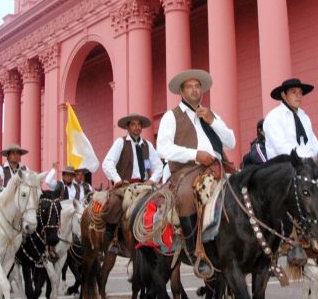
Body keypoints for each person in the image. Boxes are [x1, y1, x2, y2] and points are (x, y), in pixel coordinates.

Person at [156, 69, 236, 278]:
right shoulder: (170, 116)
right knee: (184, 196)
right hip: (187, 168)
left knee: (244, 189)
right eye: (190, 86)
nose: (195, 89)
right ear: (181, 91)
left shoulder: (210, 114)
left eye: (198, 86)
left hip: (218, 165)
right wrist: (195, 155)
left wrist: (213, 121)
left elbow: (231, 142)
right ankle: (194, 251)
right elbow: (163, 148)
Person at [101, 112, 164, 254]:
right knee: (114, 204)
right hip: (125, 185)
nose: (137, 127)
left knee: (162, 202)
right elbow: (108, 163)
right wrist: (117, 180)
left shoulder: (147, 145)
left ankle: (159, 236)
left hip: (145, 186)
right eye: (133, 124)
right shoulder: (121, 142)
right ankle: (111, 238)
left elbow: (159, 165)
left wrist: (152, 180)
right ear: (128, 128)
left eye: (139, 124)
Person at [263, 78, 318, 161]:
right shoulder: (274, 117)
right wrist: (309, 160)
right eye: (293, 92)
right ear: (284, 95)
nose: (298, 96)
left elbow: (314, 146)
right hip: (283, 170)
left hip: (305, 168)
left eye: (300, 92)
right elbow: (282, 148)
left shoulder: (304, 117)